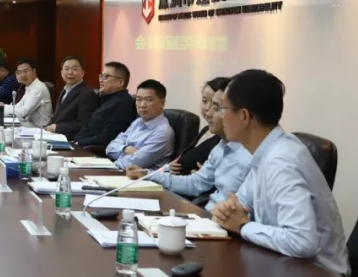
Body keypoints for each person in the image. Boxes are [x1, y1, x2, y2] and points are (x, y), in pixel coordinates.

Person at [211, 69, 348, 276]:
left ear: (244, 116)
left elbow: (302, 241)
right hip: (282, 265)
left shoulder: (281, 161)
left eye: (223, 108)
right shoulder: (264, 152)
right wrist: (226, 210)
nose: (220, 116)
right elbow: (238, 204)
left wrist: (243, 226)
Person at [126, 78, 250, 210]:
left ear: (243, 115)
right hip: (204, 212)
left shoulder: (251, 156)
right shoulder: (220, 146)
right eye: (205, 102)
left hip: (211, 213)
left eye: (217, 107)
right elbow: (196, 183)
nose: (208, 112)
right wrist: (148, 174)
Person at [105, 79, 174, 170]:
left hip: (142, 177)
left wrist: (115, 160)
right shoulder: (137, 122)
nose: (142, 105)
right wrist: (126, 148)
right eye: (139, 99)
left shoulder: (163, 132)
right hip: (120, 171)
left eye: (148, 100)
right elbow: (109, 148)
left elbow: (135, 163)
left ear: (162, 103)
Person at [73, 61, 138, 148]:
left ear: (120, 83)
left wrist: (78, 143)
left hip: (92, 150)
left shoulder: (123, 103)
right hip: (78, 144)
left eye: (106, 77)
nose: (101, 80)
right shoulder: (103, 98)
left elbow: (108, 137)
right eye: (101, 76)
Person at [173, 77, 230, 174]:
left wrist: (208, 178)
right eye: (204, 101)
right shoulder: (206, 129)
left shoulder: (225, 139)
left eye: (215, 105)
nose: (207, 108)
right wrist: (168, 168)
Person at [45, 56, 98, 139]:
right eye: (66, 69)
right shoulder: (65, 89)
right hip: (55, 135)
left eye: (74, 69)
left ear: (82, 73)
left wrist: (58, 128)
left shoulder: (87, 94)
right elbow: (57, 117)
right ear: (61, 73)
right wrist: (46, 128)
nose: (70, 72)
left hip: (71, 139)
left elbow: (85, 125)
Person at [7, 58, 52, 128]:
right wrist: (1, 108)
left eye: (25, 71)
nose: (22, 75)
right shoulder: (30, 86)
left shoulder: (38, 88)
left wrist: (3, 110)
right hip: (29, 124)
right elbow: (18, 106)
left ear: (34, 71)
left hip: (40, 129)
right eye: (19, 72)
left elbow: (24, 112)